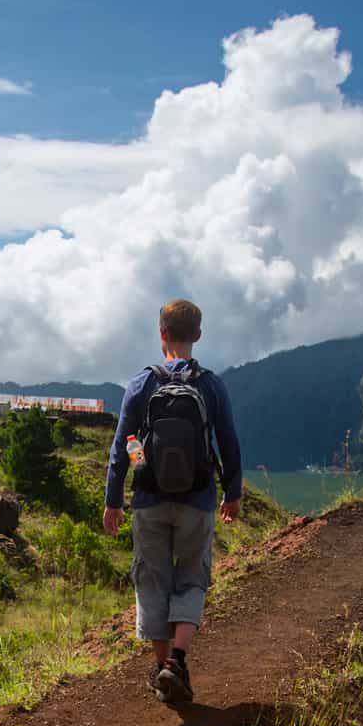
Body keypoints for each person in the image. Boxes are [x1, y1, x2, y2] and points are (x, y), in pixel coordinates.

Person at [103, 299, 243, 704]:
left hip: (149, 498)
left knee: (152, 579)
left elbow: (124, 444)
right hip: (198, 499)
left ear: (161, 332)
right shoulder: (211, 385)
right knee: (192, 576)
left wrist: (116, 497)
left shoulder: (141, 384)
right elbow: (228, 442)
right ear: (197, 334)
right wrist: (232, 493)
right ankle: (177, 661)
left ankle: (162, 665)